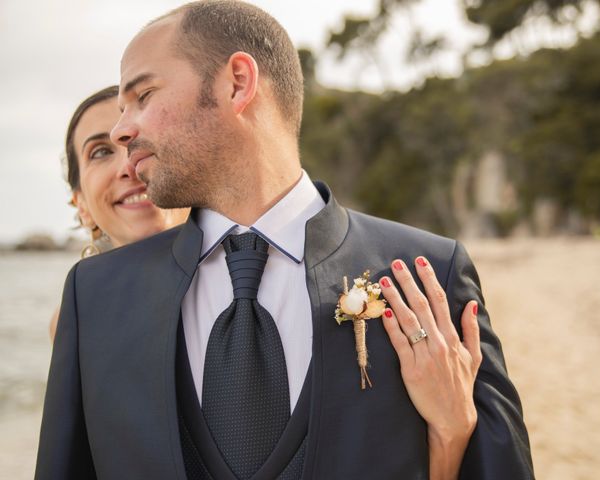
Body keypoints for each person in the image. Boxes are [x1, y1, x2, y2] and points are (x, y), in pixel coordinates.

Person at [36, 2, 534, 479]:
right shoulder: (93, 296)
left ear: (237, 83)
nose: (123, 131)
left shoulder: (427, 273)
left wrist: (453, 432)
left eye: (143, 96)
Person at [48, 86, 189, 340]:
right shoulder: (74, 323)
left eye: (144, 141)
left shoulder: (256, 281)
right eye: (100, 152)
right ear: (82, 205)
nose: (129, 165)